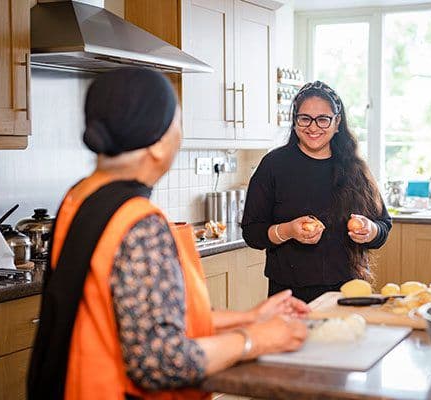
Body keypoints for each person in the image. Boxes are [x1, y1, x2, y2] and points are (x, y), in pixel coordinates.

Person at [27, 67, 309, 400]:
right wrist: (255, 339)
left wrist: (249, 317)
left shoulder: (80, 197)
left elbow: (145, 320)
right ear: (158, 144)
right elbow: (160, 361)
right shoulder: (138, 223)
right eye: (178, 123)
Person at [242, 80, 392, 303]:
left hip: (348, 291)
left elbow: (383, 225)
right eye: (305, 118)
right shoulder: (273, 165)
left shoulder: (355, 168)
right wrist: (288, 231)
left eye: (323, 119)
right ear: (294, 121)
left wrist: (370, 230)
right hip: (289, 294)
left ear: (337, 122)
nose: (313, 127)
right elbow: (252, 232)